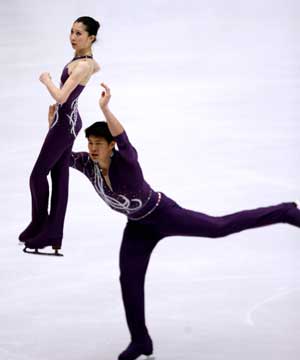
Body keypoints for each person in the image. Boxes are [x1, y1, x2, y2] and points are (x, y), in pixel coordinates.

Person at [51, 83, 300, 360]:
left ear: (111, 146)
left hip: (163, 214)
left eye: (99, 143)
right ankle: (141, 340)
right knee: (129, 279)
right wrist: (55, 129)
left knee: (218, 227)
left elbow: (125, 138)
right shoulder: (88, 165)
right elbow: (59, 157)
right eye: (90, 143)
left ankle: (285, 212)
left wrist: (105, 109)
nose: (93, 148)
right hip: (137, 227)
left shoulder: (127, 163)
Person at [19, 16, 101, 255]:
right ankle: (49, 231)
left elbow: (62, 97)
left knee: (37, 175)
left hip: (65, 124)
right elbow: (96, 68)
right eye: (72, 32)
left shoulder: (83, 64)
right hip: (65, 121)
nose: (73, 37)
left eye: (79, 34)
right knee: (58, 177)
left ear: (91, 38)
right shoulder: (83, 61)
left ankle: (42, 225)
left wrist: (47, 81)